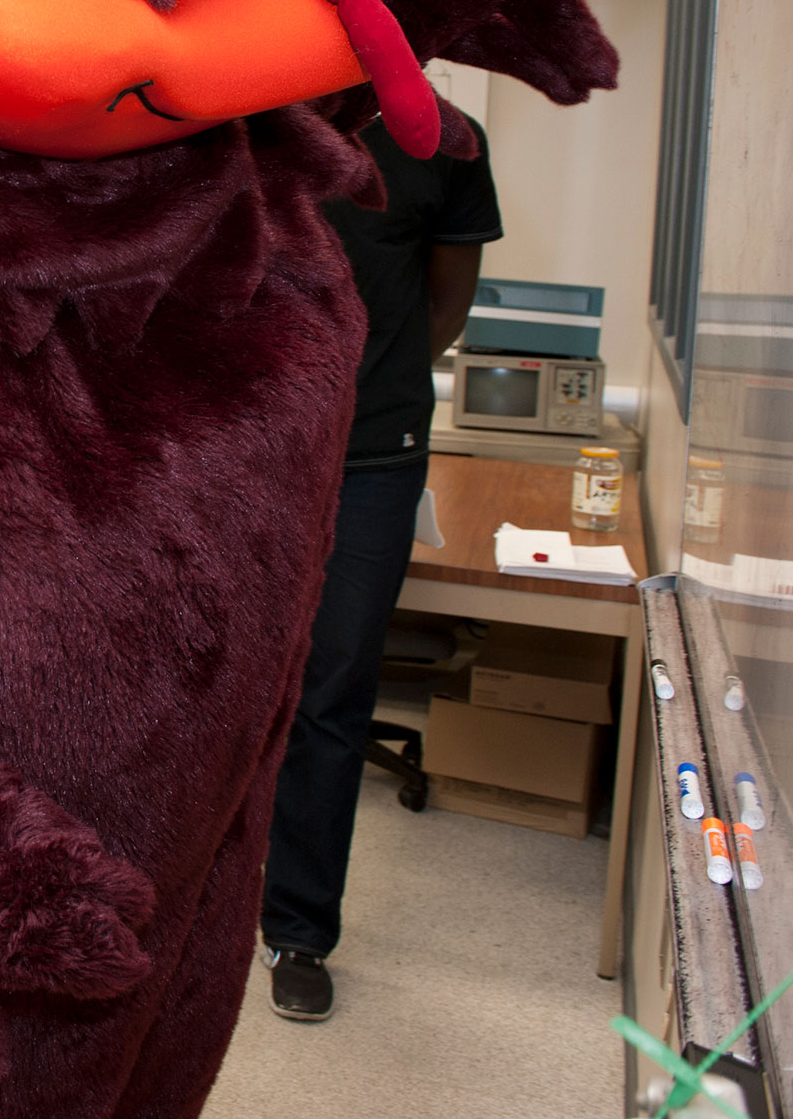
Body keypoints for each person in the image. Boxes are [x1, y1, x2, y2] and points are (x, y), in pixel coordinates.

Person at [261, 111, 500, 1023]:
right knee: (207, 681)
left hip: (372, 456)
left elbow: (444, 306)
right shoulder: (244, 124)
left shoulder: (447, 145)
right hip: (245, 448)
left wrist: (354, 389)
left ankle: (299, 930)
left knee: (332, 691)